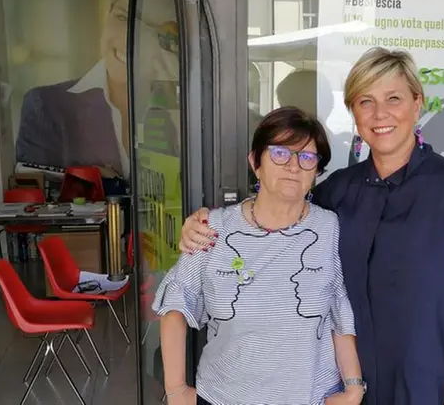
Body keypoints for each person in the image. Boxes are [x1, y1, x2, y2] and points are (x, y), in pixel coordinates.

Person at [179, 47, 444, 404]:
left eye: (393, 98)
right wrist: (206, 224)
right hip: (341, 387)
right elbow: (276, 216)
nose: (380, 114)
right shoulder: (337, 191)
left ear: (417, 103)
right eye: (365, 101)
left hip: (422, 383)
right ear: (354, 113)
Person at [153, 107, 364, 405]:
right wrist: (175, 390)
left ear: (316, 171)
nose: (293, 166)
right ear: (256, 162)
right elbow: (176, 302)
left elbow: (338, 309)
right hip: (226, 395)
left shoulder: (329, 227)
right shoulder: (212, 228)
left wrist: (353, 389)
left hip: (311, 397)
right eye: (280, 153)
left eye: (306, 157)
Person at [15, 0, 178, 178]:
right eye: (123, 18)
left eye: (154, 32)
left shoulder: (182, 108)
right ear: (107, 14)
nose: (130, 39)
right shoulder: (46, 106)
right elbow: (34, 201)